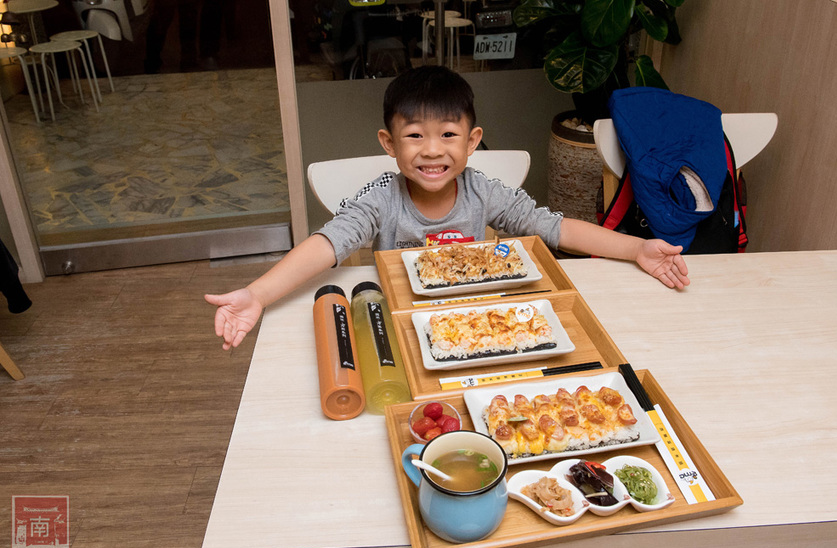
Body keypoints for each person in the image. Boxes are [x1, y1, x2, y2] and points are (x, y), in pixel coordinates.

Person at [205, 66, 689, 350]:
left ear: (472, 141)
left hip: (478, 328)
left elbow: (555, 229)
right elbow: (326, 244)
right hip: (400, 331)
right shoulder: (381, 199)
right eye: (414, 136)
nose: (432, 150)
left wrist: (637, 247)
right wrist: (258, 294)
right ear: (389, 144)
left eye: (448, 135)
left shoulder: (485, 194)